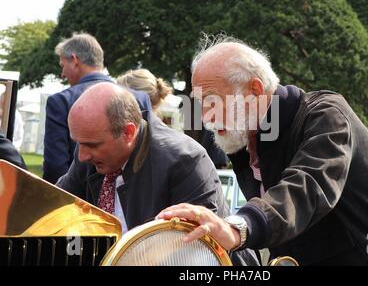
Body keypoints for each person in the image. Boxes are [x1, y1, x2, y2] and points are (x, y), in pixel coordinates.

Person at [157, 35, 368, 265]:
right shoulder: (244, 137)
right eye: (200, 104)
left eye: (212, 101)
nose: (205, 116)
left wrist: (238, 226)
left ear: (254, 90)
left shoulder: (326, 114)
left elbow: (306, 187)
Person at [56, 82, 259, 266]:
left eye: (91, 145)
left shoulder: (185, 161)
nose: (82, 155)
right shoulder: (91, 150)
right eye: (78, 143)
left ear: (128, 132)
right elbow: (59, 205)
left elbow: (192, 250)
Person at [43, 33, 151, 184]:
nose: (62, 74)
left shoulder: (61, 101)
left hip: (79, 203)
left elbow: (55, 165)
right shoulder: (140, 98)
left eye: (62, 66)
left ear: (74, 60)